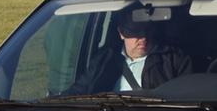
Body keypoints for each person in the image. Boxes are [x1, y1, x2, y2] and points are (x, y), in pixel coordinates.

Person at [64, 8, 192, 95]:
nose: (143, 39)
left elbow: (188, 97)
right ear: (121, 33)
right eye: (136, 33)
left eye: (147, 32)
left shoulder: (173, 60)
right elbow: (79, 90)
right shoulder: (105, 59)